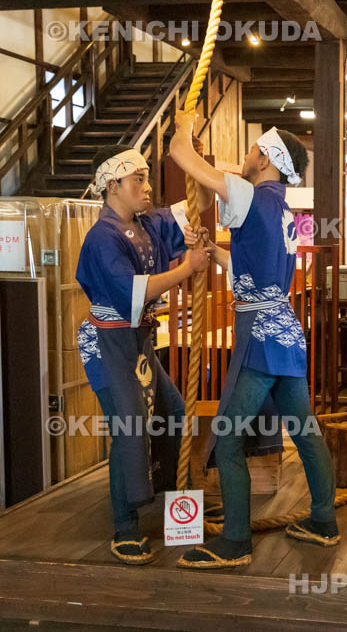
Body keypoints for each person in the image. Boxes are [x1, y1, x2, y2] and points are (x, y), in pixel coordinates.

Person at [168, 114, 338, 569]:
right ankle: (323, 520)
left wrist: (185, 126)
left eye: (250, 150)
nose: (244, 157)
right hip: (284, 329)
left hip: (258, 337)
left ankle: (236, 541)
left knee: (226, 436)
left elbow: (179, 156)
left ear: (265, 158)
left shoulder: (247, 193)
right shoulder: (280, 205)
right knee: (303, 431)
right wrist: (214, 251)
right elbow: (254, 269)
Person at [76, 144, 211, 565]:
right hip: (109, 343)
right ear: (114, 185)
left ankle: (171, 501)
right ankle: (125, 525)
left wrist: (193, 160)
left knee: (173, 414)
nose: (148, 188)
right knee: (130, 427)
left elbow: (199, 199)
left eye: (149, 179)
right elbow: (134, 295)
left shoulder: (146, 222)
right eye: (140, 180)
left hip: (138, 342)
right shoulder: (102, 237)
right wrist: (187, 269)